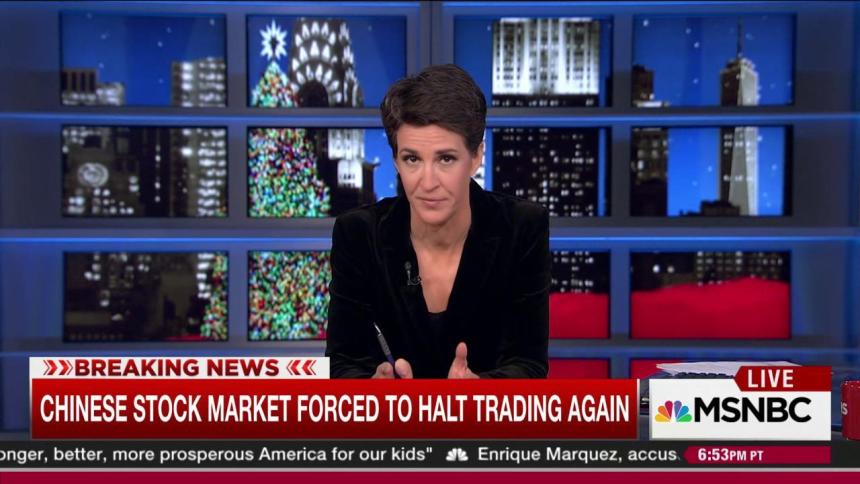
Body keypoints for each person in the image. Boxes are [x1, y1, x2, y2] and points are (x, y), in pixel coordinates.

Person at [325, 64, 549, 379]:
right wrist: (371, 388)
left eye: (446, 159)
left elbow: (528, 364)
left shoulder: (521, 228)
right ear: (395, 160)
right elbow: (341, 363)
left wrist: (480, 392)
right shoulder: (358, 234)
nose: (428, 183)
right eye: (412, 159)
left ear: (477, 156)